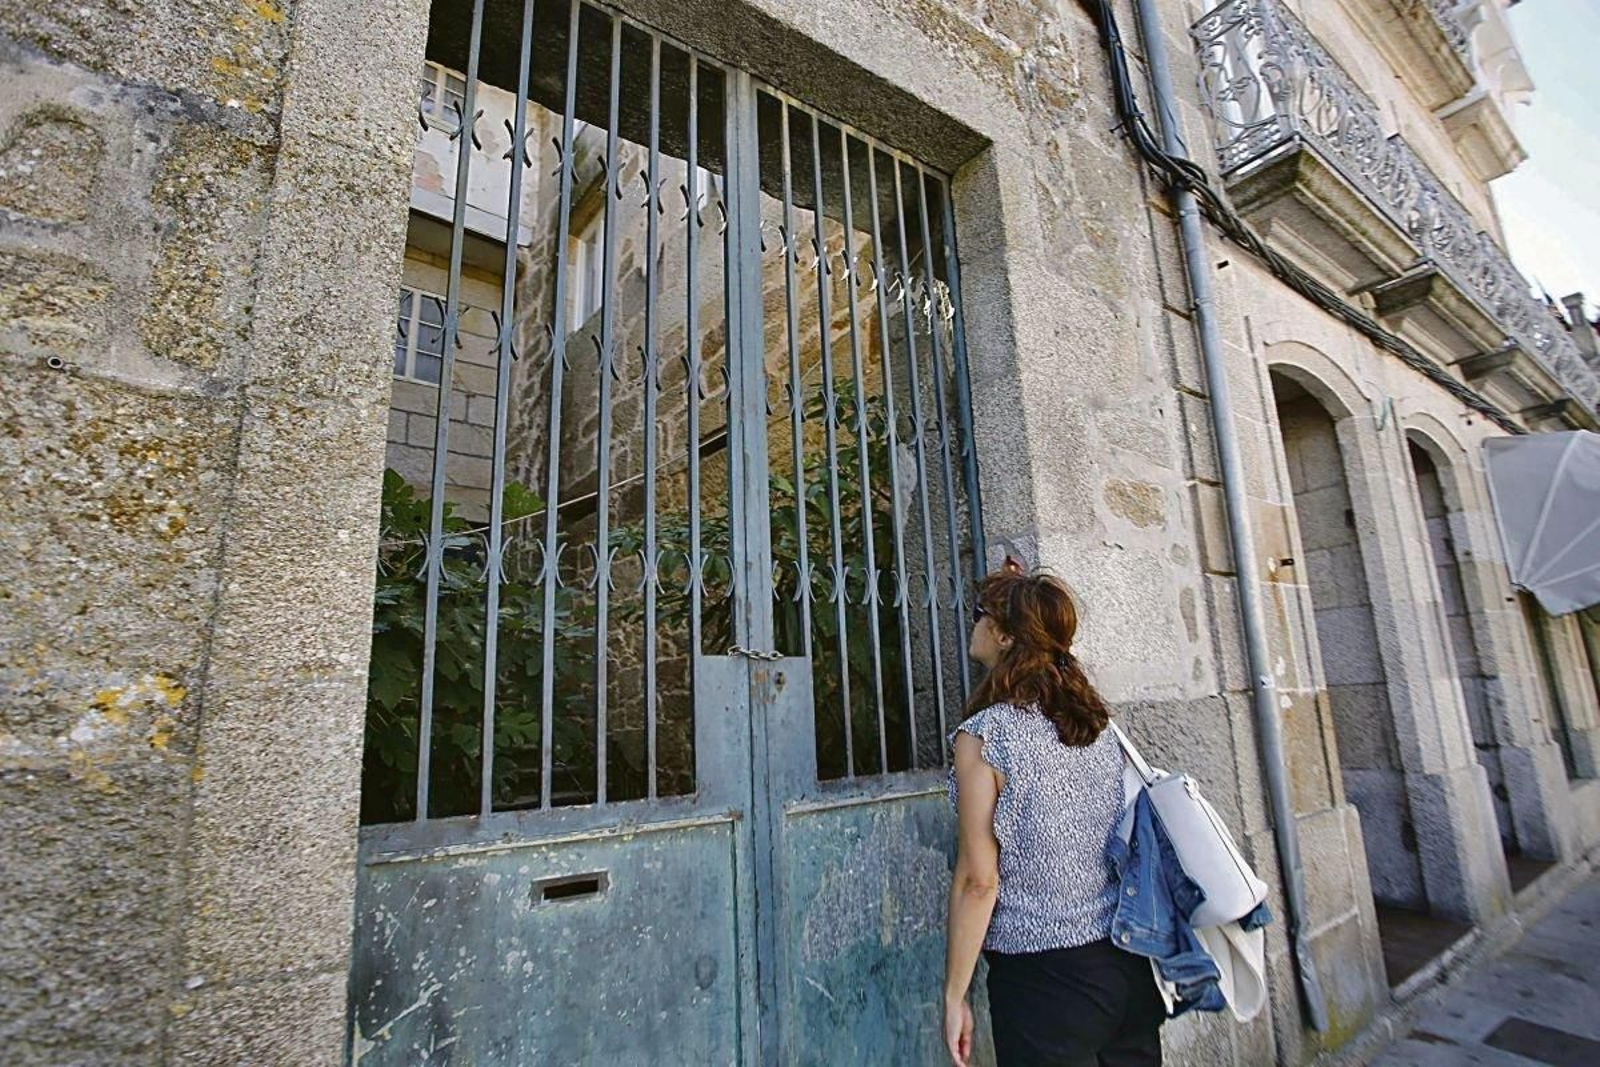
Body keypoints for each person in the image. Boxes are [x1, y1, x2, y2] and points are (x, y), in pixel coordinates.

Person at [943, 564, 1166, 1067]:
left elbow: (979, 881)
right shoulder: (1094, 723)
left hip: (1044, 980)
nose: (972, 625)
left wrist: (955, 995)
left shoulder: (983, 737)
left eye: (981, 616)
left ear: (1002, 635)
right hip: (1125, 964)